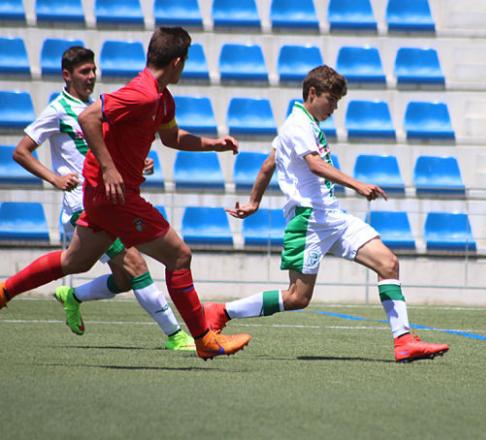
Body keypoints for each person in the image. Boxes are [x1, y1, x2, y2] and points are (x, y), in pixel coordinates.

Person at [0, 27, 251, 360]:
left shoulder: (162, 100)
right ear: (177, 62)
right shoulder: (143, 93)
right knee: (179, 256)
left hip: (104, 197)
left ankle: (4, 291)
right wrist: (108, 167)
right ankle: (204, 339)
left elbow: (172, 138)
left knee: (75, 261)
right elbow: (90, 117)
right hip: (113, 196)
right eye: (185, 62)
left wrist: (213, 145)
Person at [205, 65, 449, 363]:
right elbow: (315, 165)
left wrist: (254, 202)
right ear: (312, 93)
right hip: (309, 221)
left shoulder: (302, 125)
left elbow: (270, 163)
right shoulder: (297, 126)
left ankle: (404, 341)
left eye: (337, 101)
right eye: (331, 100)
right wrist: (357, 184)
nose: (334, 107)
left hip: (332, 217)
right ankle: (221, 312)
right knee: (297, 298)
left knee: (388, 263)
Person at [13, 45, 195, 351]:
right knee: (136, 264)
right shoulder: (59, 108)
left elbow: (109, 150)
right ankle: (176, 335)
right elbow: (20, 151)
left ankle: (73, 296)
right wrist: (55, 178)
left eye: (93, 70)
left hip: (108, 199)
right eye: (84, 72)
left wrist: (138, 164)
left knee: (120, 279)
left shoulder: (98, 107)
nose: (91, 76)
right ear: (66, 75)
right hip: (81, 203)